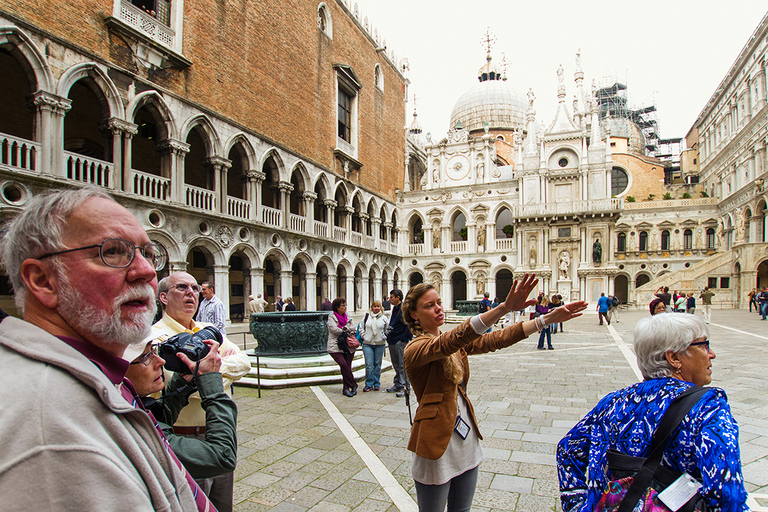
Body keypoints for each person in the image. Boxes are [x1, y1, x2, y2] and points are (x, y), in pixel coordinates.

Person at [0, 188, 213, 511]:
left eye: (148, 254)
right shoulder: (48, 426)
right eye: (112, 252)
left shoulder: (97, 376)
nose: (146, 271)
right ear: (43, 280)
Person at [403, 274, 587, 512]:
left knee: (462, 510)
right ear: (414, 315)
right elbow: (451, 341)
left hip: (465, 439)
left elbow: (494, 339)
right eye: (430, 305)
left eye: (438, 302)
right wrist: (503, 308)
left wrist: (545, 320)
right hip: (435, 444)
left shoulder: (449, 341)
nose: (438, 308)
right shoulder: (415, 348)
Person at [557, 314, 748, 512]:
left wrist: (578, 506)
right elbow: (727, 495)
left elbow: (567, 449)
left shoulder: (612, 402)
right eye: (703, 345)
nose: (712, 354)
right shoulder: (708, 408)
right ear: (674, 357)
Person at [150, 271, 251, 512]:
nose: (191, 293)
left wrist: (210, 372)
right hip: (183, 438)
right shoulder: (155, 338)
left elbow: (245, 362)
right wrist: (217, 378)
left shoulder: (207, 330)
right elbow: (178, 388)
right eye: (182, 287)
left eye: (195, 288)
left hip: (220, 433)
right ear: (163, 297)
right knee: (194, 505)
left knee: (223, 505)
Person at [123, 337, 238, 480]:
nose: (160, 361)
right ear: (118, 368)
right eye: (145, 357)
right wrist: (212, 386)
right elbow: (221, 456)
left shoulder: (127, 402)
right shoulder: (131, 427)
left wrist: (183, 380)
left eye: (154, 351)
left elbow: (160, 420)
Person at [327, 297, 357, 397]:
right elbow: (333, 329)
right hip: (335, 345)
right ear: (337, 307)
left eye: (345, 305)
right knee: (344, 365)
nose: (345, 307)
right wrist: (346, 330)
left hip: (348, 345)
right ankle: (353, 384)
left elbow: (353, 327)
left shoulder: (348, 316)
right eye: (343, 305)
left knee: (347, 366)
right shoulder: (331, 317)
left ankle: (346, 388)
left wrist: (344, 328)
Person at [386, 288, 412, 397]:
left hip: (400, 341)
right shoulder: (395, 309)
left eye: (391, 297)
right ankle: (398, 383)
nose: (389, 299)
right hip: (393, 339)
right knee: (396, 364)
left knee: (403, 365)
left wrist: (403, 339)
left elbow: (409, 325)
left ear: (398, 297)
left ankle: (406, 387)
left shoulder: (404, 309)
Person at [359, 300, 389, 392]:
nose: (376, 308)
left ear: (381, 308)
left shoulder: (384, 318)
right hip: (367, 344)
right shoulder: (367, 317)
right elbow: (361, 327)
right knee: (369, 364)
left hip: (379, 344)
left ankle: (376, 383)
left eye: (378, 306)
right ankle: (368, 383)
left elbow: (387, 329)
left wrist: (383, 337)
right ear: (372, 307)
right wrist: (364, 336)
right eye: (375, 306)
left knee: (377, 364)